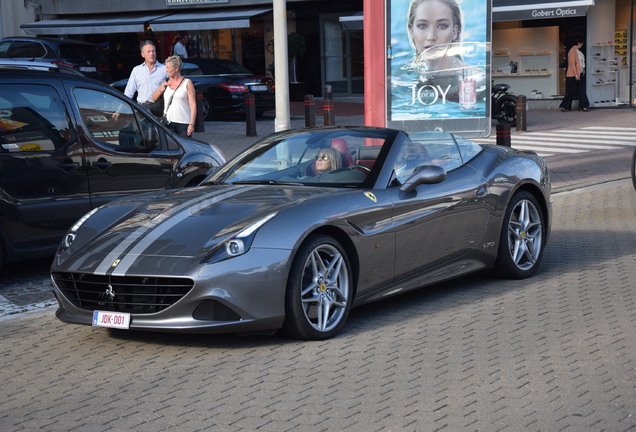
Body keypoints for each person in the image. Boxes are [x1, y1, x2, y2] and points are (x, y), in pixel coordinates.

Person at [405, 0, 482, 105]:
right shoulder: (404, 74)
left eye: (442, 26)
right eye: (422, 26)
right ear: (411, 30)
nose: (431, 36)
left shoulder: (474, 78)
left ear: (454, 32)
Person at [151, 56, 197, 137]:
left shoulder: (187, 83)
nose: (166, 70)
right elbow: (153, 98)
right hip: (168, 123)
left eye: (168, 68)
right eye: (166, 67)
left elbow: (193, 105)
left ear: (176, 69)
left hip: (183, 124)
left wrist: (191, 124)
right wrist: (161, 89)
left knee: (184, 147)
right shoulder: (166, 82)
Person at [124, 40, 167, 105]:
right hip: (141, 108)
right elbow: (129, 92)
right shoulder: (137, 70)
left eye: (153, 51)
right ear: (142, 54)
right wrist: (120, 109)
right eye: (148, 52)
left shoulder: (164, 69)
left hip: (159, 107)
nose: (152, 54)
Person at [560, 40, 590, 112]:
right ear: (579, 43)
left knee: (581, 90)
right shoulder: (572, 51)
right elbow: (572, 64)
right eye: (581, 43)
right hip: (573, 75)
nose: (582, 45)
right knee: (570, 91)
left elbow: (581, 62)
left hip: (580, 73)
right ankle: (565, 106)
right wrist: (576, 74)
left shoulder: (578, 52)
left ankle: (583, 105)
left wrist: (582, 70)